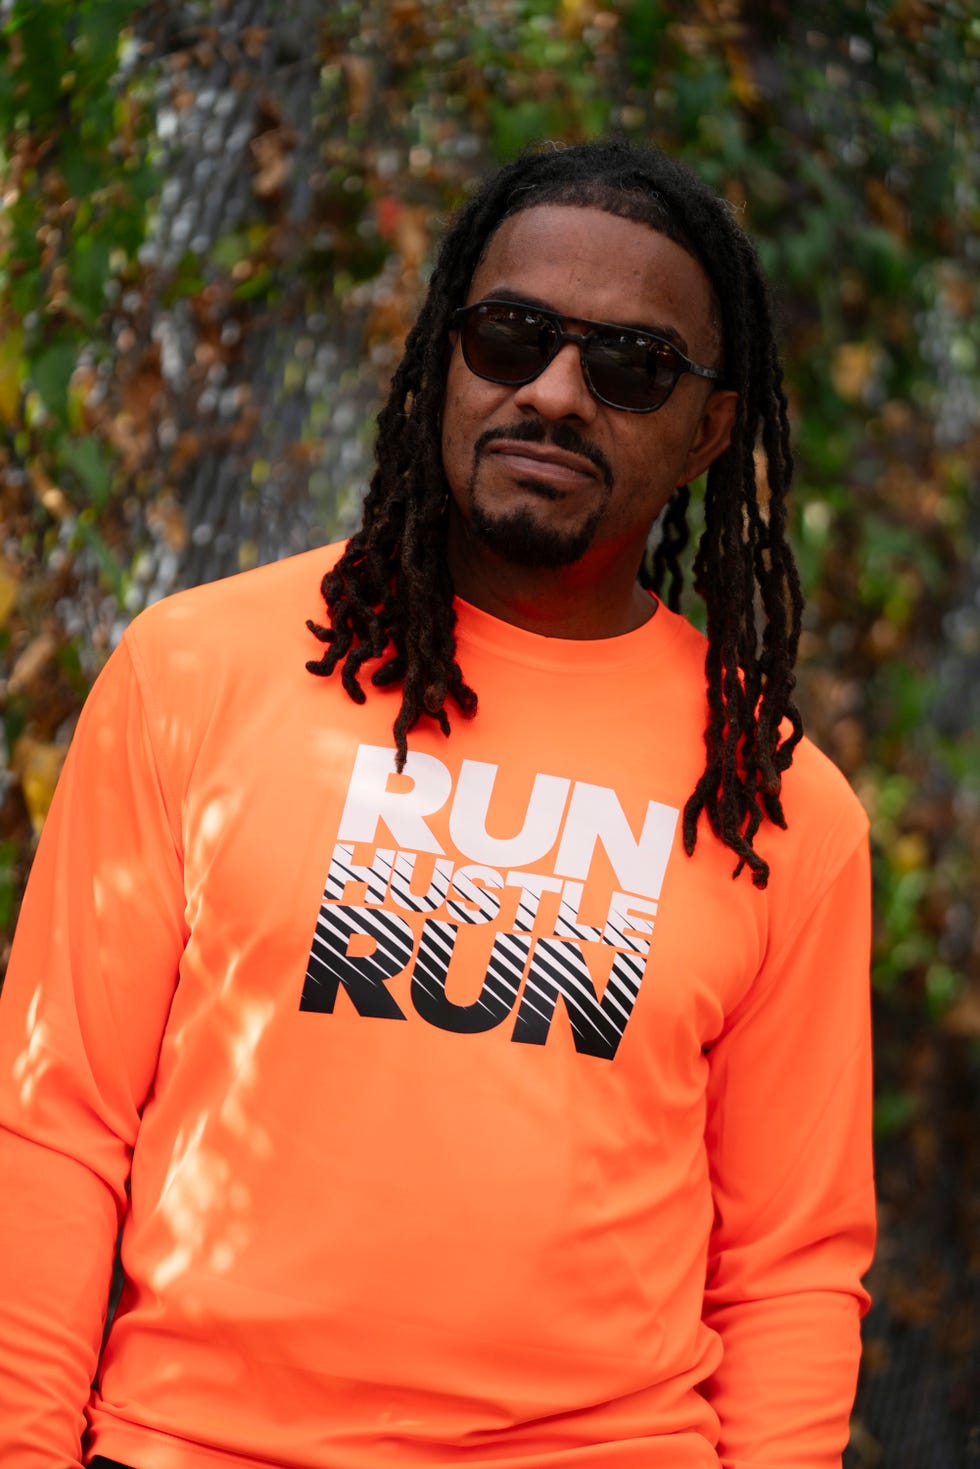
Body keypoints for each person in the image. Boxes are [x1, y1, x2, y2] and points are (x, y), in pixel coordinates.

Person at [0, 138, 875, 1469]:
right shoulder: (192, 672)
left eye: (631, 365)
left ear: (709, 428)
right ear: (442, 356)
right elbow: (50, 1123)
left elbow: (791, 1266)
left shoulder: (779, 797)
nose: (558, 393)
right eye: (511, 337)